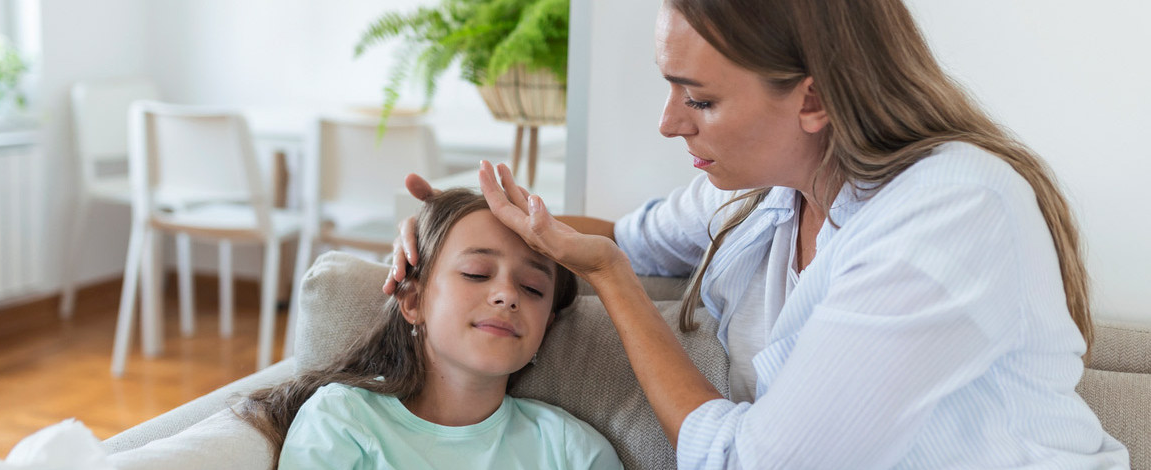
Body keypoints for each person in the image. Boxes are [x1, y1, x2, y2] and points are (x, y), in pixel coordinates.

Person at [387, 1, 1130, 468]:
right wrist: (446, 231)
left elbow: (747, 462)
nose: (670, 121)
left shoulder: (951, 212)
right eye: (670, 85)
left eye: (699, 99)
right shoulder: (768, 197)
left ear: (813, 98)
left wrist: (614, 280)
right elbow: (616, 235)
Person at [240, 189, 622, 469]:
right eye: (476, 273)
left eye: (533, 288)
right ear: (413, 302)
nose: (507, 295)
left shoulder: (574, 452)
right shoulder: (341, 420)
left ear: (547, 327)